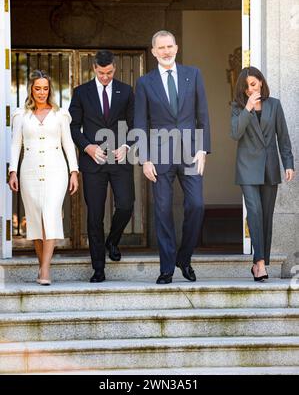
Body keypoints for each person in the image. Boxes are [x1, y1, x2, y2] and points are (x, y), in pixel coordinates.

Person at [134, 30, 211, 284]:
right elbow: (140, 122)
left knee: (197, 205)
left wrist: (203, 149)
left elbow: (203, 115)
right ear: (154, 51)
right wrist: (144, 158)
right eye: (161, 48)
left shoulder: (193, 74)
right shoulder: (145, 82)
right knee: (163, 210)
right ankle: (167, 267)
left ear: (176, 48)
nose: (166, 51)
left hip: (191, 152)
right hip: (159, 155)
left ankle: (184, 258)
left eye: (170, 46)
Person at [69, 50, 135, 283]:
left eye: (109, 73)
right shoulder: (80, 93)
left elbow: (135, 123)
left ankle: (112, 241)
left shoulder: (126, 91)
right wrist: (88, 147)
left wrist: (126, 146)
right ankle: (98, 268)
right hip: (93, 161)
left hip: (119, 160)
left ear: (114, 69)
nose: (105, 77)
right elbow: (74, 128)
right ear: (94, 69)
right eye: (101, 73)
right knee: (94, 217)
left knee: (126, 205)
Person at [9, 70, 79, 285]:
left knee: (51, 216)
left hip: (56, 171)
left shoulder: (61, 115)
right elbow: (16, 145)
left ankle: (46, 270)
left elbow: (68, 144)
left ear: (50, 90)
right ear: (31, 89)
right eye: (37, 88)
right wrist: (13, 171)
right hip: (29, 171)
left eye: (45, 88)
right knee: (36, 220)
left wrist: (73, 172)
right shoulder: (21, 116)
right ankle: (42, 266)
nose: (41, 92)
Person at [231, 66, 295, 281]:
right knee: (255, 212)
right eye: (246, 86)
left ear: (261, 82)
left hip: (269, 167)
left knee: (266, 215)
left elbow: (283, 137)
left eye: (253, 84)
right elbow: (235, 133)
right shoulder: (237, 107)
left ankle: (261, 262)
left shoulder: (274, 105)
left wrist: (288, 163)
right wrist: (247, 108)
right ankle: (260, 264)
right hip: (247, 168)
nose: (250, 89)